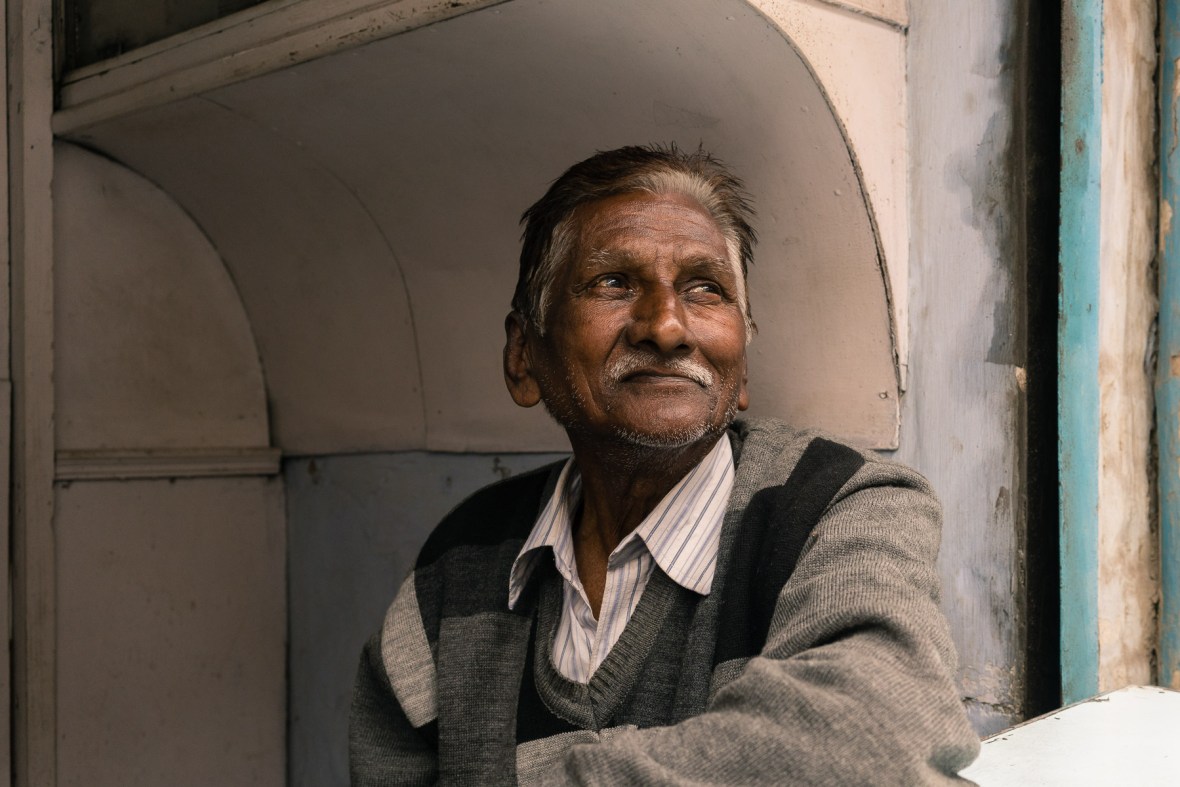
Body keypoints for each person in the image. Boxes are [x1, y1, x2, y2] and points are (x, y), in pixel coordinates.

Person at [350, 144, 980, 785]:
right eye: (614, 283)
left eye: (706, 290)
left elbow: (873, 738)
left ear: (740, 372)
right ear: (523, 356)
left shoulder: (842, 506)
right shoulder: (460, 562)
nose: (667, 327)